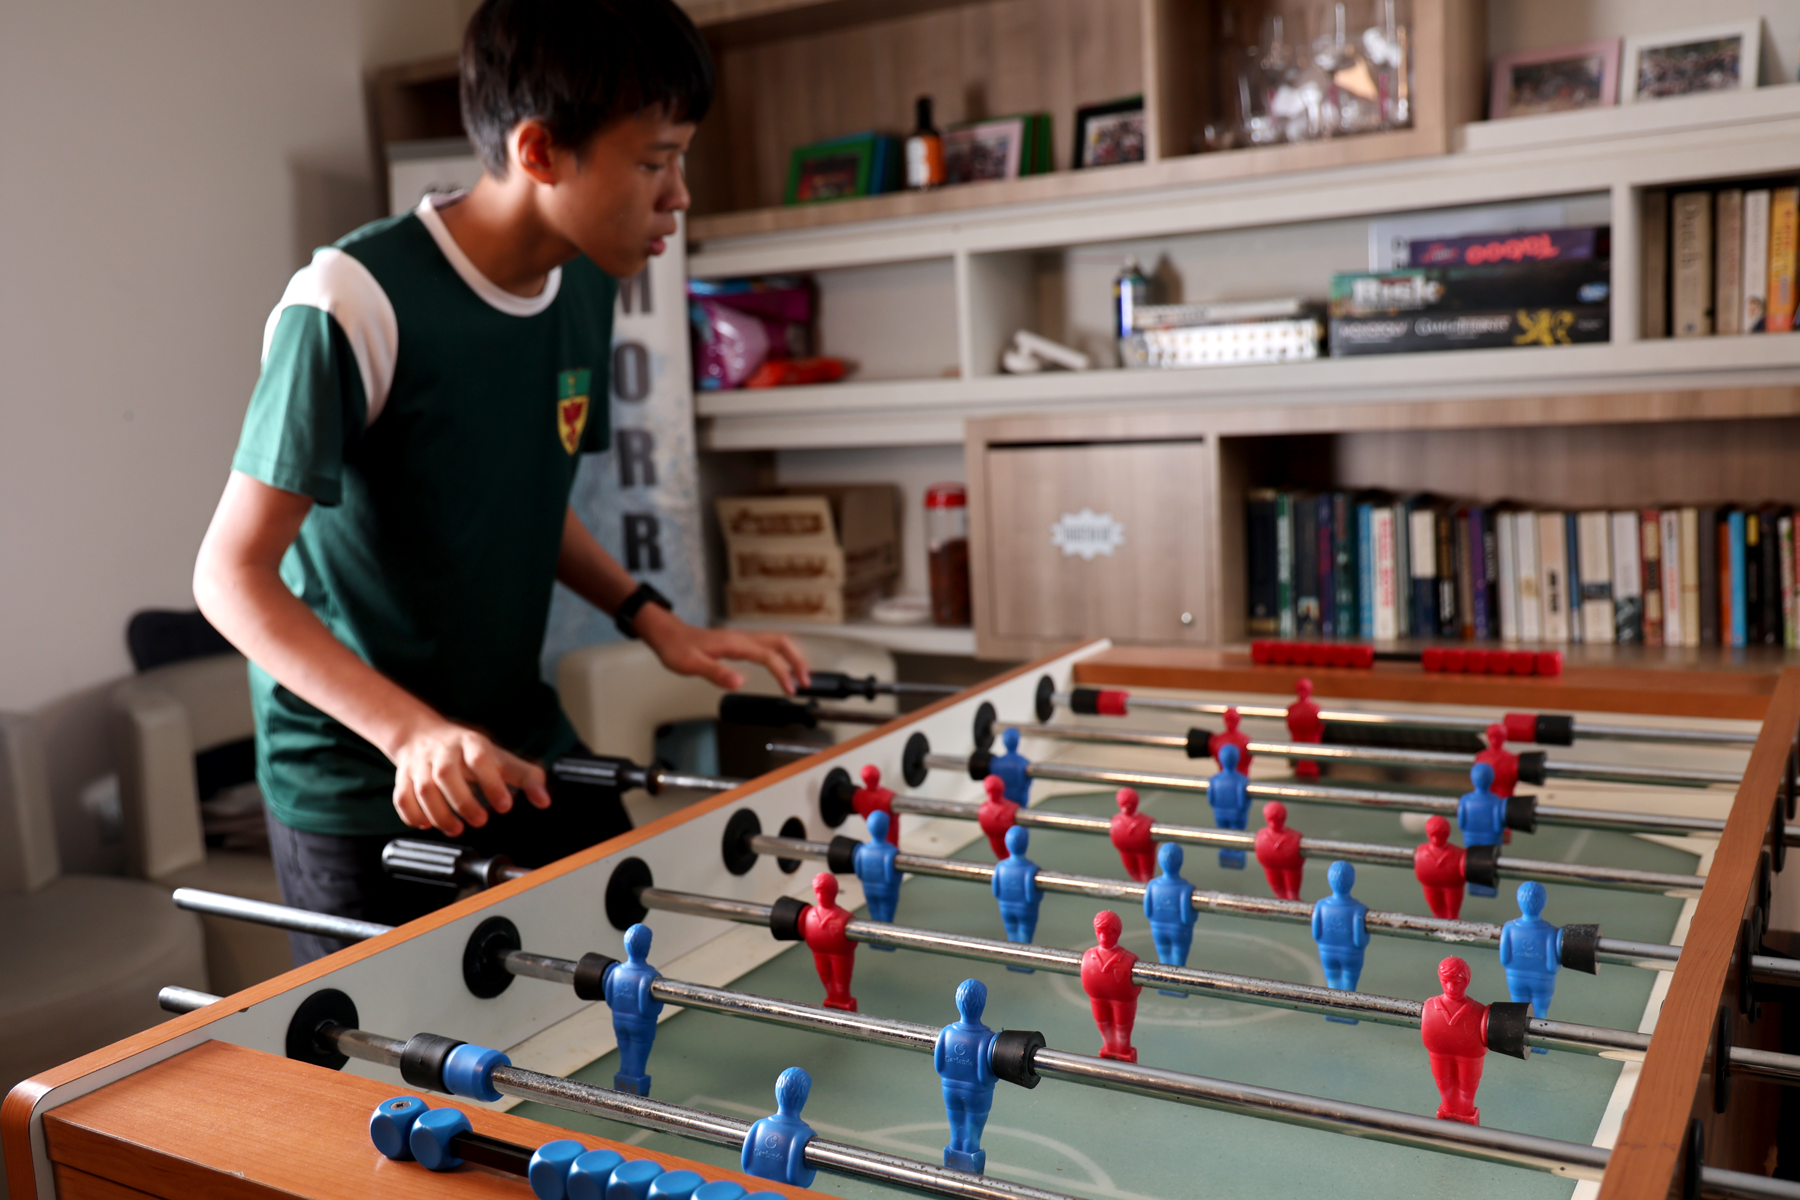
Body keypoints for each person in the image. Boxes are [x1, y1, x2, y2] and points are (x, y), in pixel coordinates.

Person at [191, 0, 808, 965]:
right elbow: (230, 577)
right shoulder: (350, 301)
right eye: (654, 161)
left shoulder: (589, 278)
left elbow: (521, 496)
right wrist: (413, 736)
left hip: (517, 740)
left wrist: (655, 618)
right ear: (540, 150)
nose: (678, 195)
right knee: (407, 1092)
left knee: (631, 981)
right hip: (363, 778)